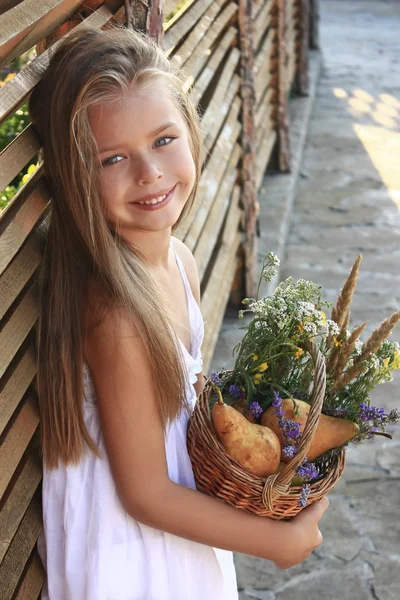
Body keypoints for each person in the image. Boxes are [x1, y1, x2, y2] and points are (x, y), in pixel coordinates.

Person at [29, 24, 329, 600]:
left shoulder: (181, 260)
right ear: (74, 177)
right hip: (130, 555)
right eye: (112, 158)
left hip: (173, 526)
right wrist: (274, 543)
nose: (149, 173)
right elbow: (144, 494)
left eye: (163, 140)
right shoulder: (116, 314)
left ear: (191, 133)